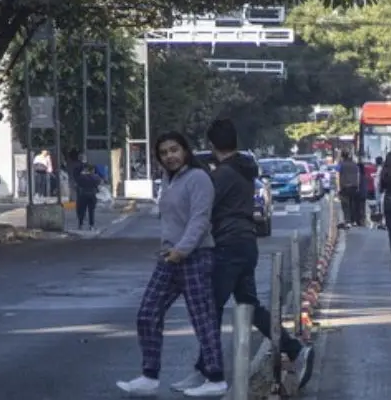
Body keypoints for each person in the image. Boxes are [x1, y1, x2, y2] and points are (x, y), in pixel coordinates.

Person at [171, 119, 314, 394]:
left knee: (210, 308)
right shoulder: (243, 168)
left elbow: (202, 205)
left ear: (212, 145)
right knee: (249, 306)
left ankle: (210, 374)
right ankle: (295, 350)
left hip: (228, 245)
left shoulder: (224, 174)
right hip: (245, 243)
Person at [117, 132, 227, 397]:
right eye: (164, 153)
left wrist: (182, 250)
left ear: (185, 150)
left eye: (174, 150)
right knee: (147, 314)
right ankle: (149, 376)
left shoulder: (198, 178)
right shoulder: (169, 180)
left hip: (195, 256)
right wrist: (171, 250)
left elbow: (200, 219)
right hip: (169, 257)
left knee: (203, 319)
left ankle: (216, 378)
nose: (170, 156)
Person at [337, 150, 366, 228]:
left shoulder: (341, 165)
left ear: (342, 156)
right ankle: (353, 221)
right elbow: (358, 176)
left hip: (344, 187)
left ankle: (348, 221)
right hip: (354, 187)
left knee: (345, 204)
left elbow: (337, 176)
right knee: (352, 204)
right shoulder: (355, 165)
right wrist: (358, 186)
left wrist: (338, 188)